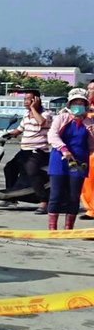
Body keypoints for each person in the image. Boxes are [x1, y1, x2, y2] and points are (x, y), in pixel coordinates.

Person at [46, 88, 94, 230]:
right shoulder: (62, 118)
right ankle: (52, 227)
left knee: (74, 196)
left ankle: (69, 228)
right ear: (69, 103)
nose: (78, 105)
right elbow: (52, 135)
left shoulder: (89, 122)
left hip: (80, 161)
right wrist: (64, 149)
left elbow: (91, 144)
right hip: (59, 159)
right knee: (56, 194)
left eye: (81, 102)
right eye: (75, 102)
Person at [0, 90, 53, 213]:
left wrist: (33, 108)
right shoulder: (26, 115)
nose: (26, 102)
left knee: (31, 170)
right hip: (25, 151)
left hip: (38, 151)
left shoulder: (46, 114)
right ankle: (11, 197)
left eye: (29, 99)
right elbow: (19, 130)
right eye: (25, 99)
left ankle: (44, 201)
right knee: (9, 168)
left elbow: (42, 122)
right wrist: (6, 134)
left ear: (36, 100)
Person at [80, 79, 94, 220]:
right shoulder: (83, 108)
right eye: (89, 88)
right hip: (86, 150)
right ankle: (90, 209)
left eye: (93, 89)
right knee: (87, 181)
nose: (90, 91)